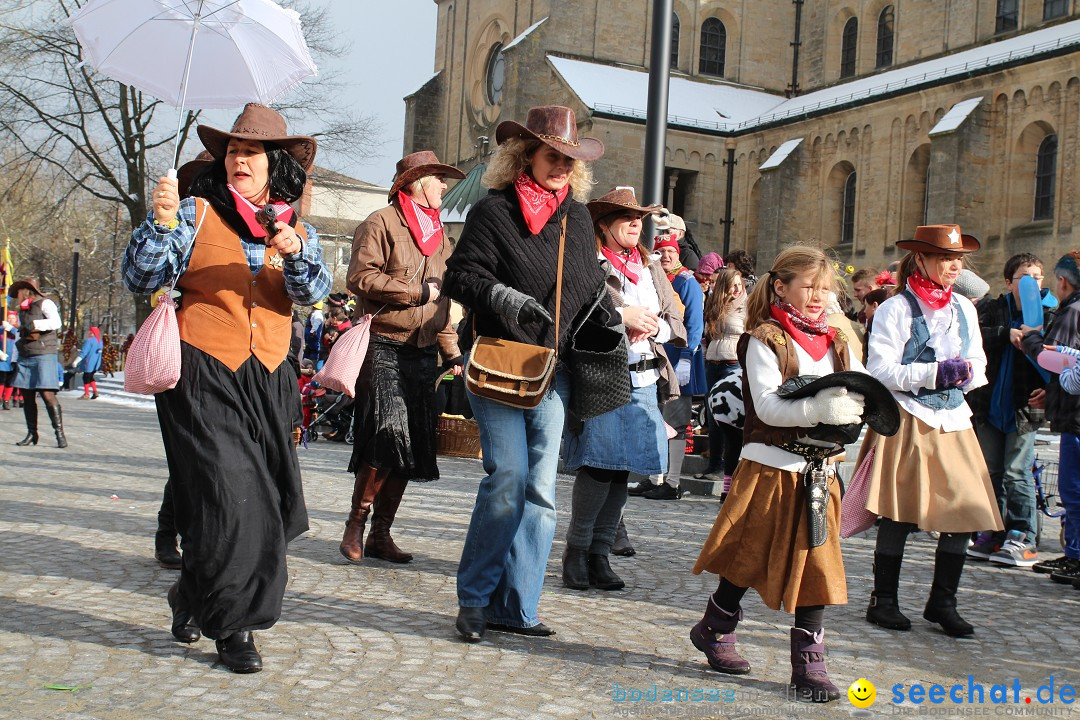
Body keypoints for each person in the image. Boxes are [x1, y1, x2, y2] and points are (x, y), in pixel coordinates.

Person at [123, 103, 331, 673]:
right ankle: (234, 626)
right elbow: (141, 276)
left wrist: (296, 254)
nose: (241, 159)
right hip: (202, 373)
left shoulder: (296, 228)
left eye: (254, 152)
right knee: (232, 496)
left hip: (270, 378)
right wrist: (160, 224)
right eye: (234, 150)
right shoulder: (192, 212)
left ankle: (190, 593)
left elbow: (314, 291)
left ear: (275, 166)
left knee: (267, 501)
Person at [443, 105, 612, 641]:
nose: (560, 165)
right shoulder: (493, 212)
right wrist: (503, 296)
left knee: (541, 491)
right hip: (499, 362)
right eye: (551, 155)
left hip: (553, 370)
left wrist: (613, 316)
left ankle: (516, 607)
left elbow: (586, 287)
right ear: (526, 155)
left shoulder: (578, 218)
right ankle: (474, 599)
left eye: (568, 158)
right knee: (509, 478)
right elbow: (461, 276)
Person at [689, 246, 869, 703]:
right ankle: (715, 626)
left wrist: (860, 410)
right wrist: (820, 407)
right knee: (748, 557)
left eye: (825, 288)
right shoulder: (763, 338)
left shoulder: (839, 338)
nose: (817, 295)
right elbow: (767, 406)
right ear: (781, 285)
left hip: (821, 469)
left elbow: (862, 388)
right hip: (771, 465)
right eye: (809, 285)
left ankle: (809, 664)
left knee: (819, 564)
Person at [858, 224, 1002, 638]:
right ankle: (883, 601)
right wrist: (935, 372)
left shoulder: (964, 308)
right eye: (944, 257)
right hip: (908, 416)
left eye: (957, 258)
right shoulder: (895, 309)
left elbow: (978, 362)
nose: (953, 265)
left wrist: (966, 373)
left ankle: (943, 602)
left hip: (953, 417)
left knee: (964, 509)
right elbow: (881, 370)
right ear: (920, 259)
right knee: (899, 510)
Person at [339, 150, 465, 566]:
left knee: (412, 444)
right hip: (384, 343)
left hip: (424, 352)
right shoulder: (381, 221)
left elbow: (441, 301)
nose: (445, 186)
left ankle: (381, 534)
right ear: (415, 182)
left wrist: (451, 351)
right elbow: (359, 277)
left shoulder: (440, 235)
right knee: (386, 434)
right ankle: (355, 523)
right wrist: (413, 292)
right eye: (438, 179)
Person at [562, 187, 685, 592]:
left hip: (646, 379)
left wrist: (657, 328)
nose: (636, 223)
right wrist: (620, 318)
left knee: (622, 471)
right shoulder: (590, 264)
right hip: (603, 375)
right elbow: (577, 313)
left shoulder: (650, 268)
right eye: (626, 216)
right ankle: (577, 551)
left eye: (640, 217)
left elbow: (677, 322)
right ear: (604, 224)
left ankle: (600, 553)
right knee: (599, 465)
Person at [966, 254, 1047, 568]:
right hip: (988, 406)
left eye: (1037, 276)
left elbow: (1062, 356)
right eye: (1024, 276)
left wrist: (1051, 391)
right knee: (991, 472)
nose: (1031, 282)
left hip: (1025, 409)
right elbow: (973, 338)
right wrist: (1004, 334)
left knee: (1017, 473)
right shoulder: (990, 308)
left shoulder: (1047, 313)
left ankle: (1022, 534)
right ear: (1008, 281)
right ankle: (993, 531)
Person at [1020, 250, 1080, 587]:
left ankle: (1076, 555)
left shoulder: (1072, 311)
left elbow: (1053, 359)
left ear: (1062, 281)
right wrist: (1054, 391)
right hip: (1070, 409)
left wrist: (1029, 337)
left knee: (1073, 491)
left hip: (1075, 418)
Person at [632, 230, 706, 500]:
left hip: (679, 359)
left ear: (678, 254)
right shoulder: (654, 276)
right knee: (657, 420)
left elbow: (694, 323)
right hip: (658, 358)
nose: (664, 256)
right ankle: (655, 476)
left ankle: (672, 482)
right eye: (660, 251)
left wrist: (687, 356)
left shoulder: (687, 281)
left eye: (670, 252)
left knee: (676, 420)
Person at [700, 267, 746, 487]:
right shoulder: (715, 305)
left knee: (725, 416)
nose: (737, 289)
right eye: (732, 285)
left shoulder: (746, 306)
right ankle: (714, 463)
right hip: (713, 361)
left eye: (739, 284)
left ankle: (726, 466)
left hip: (732, 362)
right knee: (711, 415)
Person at [7, 278, 65, 448]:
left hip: (43, 353)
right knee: (27, 395)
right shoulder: (22, 309)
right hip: (26, 354)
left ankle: (59, 433)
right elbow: (22, 333)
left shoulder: (45, 303)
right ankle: (32, 433)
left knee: (47, 394)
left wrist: (34, 324)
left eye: (18, 291)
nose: (16, 295)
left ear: (26, 290)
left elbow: (56, 323)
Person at [72, 326, 103, 399]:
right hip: (96, 363)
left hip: (89, 363)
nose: (89, 332)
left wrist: (76, 361)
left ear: (92, 332)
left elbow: (84, 352)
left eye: (90, 331)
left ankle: (86, 394)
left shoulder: (89, 341)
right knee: (91, 377)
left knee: (86, 377)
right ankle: (95, 392)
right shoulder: (99, 341)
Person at [0, 310, 19, 410]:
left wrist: (10, 328)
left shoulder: (17, 330)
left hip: (14, 359)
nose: (11, 320)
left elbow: (18, 334)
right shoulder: (1, 330)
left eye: (13, 318)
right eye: (9, 318)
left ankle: (6, 400)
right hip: (3, 359)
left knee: (11, 381)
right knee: (1, 380)